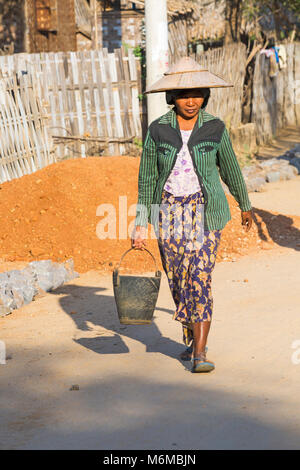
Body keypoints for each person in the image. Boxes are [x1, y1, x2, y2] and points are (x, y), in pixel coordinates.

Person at [131, 57, 253, 373]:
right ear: (172, 97)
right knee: (178, 279)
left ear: (205, 95)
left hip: (206, 211)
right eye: (185, 95)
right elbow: (147, 178)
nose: (191, 101)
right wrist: (141, 221)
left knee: (199, 276)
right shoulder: (158, 130)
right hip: (168, 211)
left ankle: (200, 353)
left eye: (197, 94)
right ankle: (191, 335)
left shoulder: (215, 127)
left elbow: (229, 167)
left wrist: (244, 204)